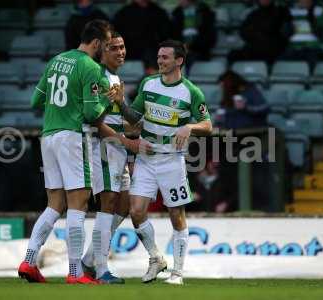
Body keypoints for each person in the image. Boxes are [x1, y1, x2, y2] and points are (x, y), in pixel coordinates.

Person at [18, 19, 113, 285]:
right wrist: (110, 96)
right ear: (96, 43)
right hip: (72, 136)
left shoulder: (55, 61)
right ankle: (75, 273)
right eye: (105, 45)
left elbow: (35, 100)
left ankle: (28, 260)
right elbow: (92, 113)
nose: (104, 50)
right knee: (78, 203)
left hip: (48, 135)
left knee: (54, 205)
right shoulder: (90, 67)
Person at [113, 40, 213, 285]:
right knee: (136, 211)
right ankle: (156, 257)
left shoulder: (191, 92)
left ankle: (177, 273)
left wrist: (189, 126)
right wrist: (120, 103)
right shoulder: (148, 84)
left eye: (165, 57)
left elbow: (208, 126)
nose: (160, 61)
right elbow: (135, 119)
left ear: (179, 61)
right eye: (159, 56)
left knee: (176, 215)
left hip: (171, 160)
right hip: (146, 159)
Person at [80, 32, 130, 284]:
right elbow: (96, 121)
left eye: (122, 47)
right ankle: (101, 270)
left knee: (123, 206)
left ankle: (88, 260)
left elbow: (122, 118)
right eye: (114, 48)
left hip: (118, 149)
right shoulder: (98, 76)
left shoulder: (116, 78)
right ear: (102, 51)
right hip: (104, 148)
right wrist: (128, 141)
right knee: (107, 204)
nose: (120, 52)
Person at [228, 0, 292, 65]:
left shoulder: (282, 12)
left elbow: (285, 32)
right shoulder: (253, 14)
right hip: (253, 49)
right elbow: (243, 32)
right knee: (233, 55)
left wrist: (261, 34)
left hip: (273, 50)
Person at [113, 0, 172, 66]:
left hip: (155, 60)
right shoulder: (122, 14)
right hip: (130, 61)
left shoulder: (159, 13)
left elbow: (167, 37)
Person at [282, 0, 323, 68]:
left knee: (313, 58)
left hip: (314, 48)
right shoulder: (288, 8)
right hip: (292, 47)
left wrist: (310, 12)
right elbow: (284, 32)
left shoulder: (321, 9)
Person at [171, 0, 217, 64]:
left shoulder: (205, 13)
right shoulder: (177, 13)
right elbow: (173, 33)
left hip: (200, 52)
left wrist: (191, 47)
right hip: (180, 52)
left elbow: (209, 35)